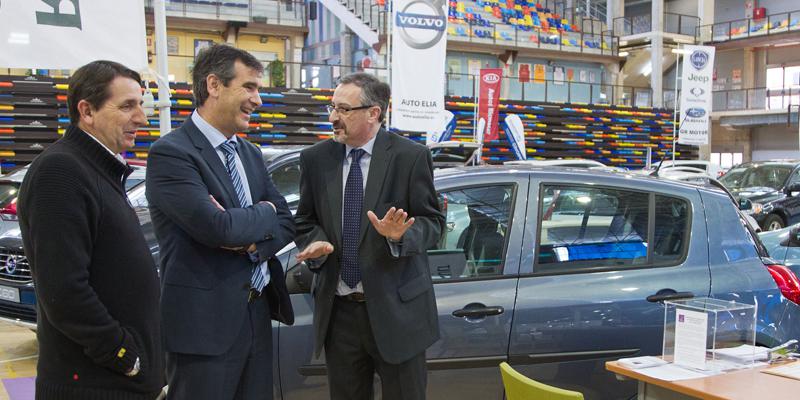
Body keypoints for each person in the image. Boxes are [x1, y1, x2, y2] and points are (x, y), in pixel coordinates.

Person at [145, 44, 295, 400]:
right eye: (249, 87)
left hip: (257, 315)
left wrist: (252, 239)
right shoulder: (172, 153)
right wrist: (264, 214)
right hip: (203, 329)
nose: (258, 99)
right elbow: (217, 228)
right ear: (214, 85)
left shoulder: (250, 153)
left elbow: (286, 222)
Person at [18, 60, 164, 399]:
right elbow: (64, 291)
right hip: (93, 385)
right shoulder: (61, 171)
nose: (141, 118)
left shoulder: (98, 171)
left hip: (116, 383)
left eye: (140, 105)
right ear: (86, 111)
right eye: (127, 106)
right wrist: (123, 354)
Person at [294, 72, 445, 400]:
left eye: (344, 109)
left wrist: (400, 236)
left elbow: (433, 223)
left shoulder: (410, 157)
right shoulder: (316, 160)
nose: (333, 117)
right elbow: (304, 220)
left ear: (373, 113)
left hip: (398, 313)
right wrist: (315, 242)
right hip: (339, 314)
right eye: (332, 107)